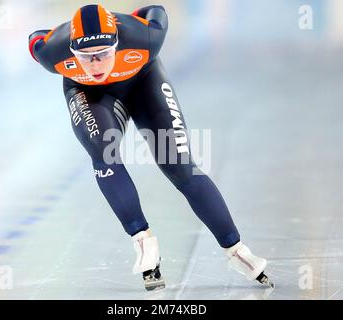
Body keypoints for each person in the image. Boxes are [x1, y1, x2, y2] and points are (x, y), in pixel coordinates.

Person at [28, 4, 273, 291]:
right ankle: (143, 240)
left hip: (144, 82)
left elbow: (154, 10)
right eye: (86, 57)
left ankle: (237, 250)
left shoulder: (145, 37)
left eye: (104, 54)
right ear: (71, 50)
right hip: (90, 96)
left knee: (180, 165)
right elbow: (36, 37)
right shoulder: (53, 52)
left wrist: (131, 16)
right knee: (102, 152)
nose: (96, 65)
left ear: (118, 42)